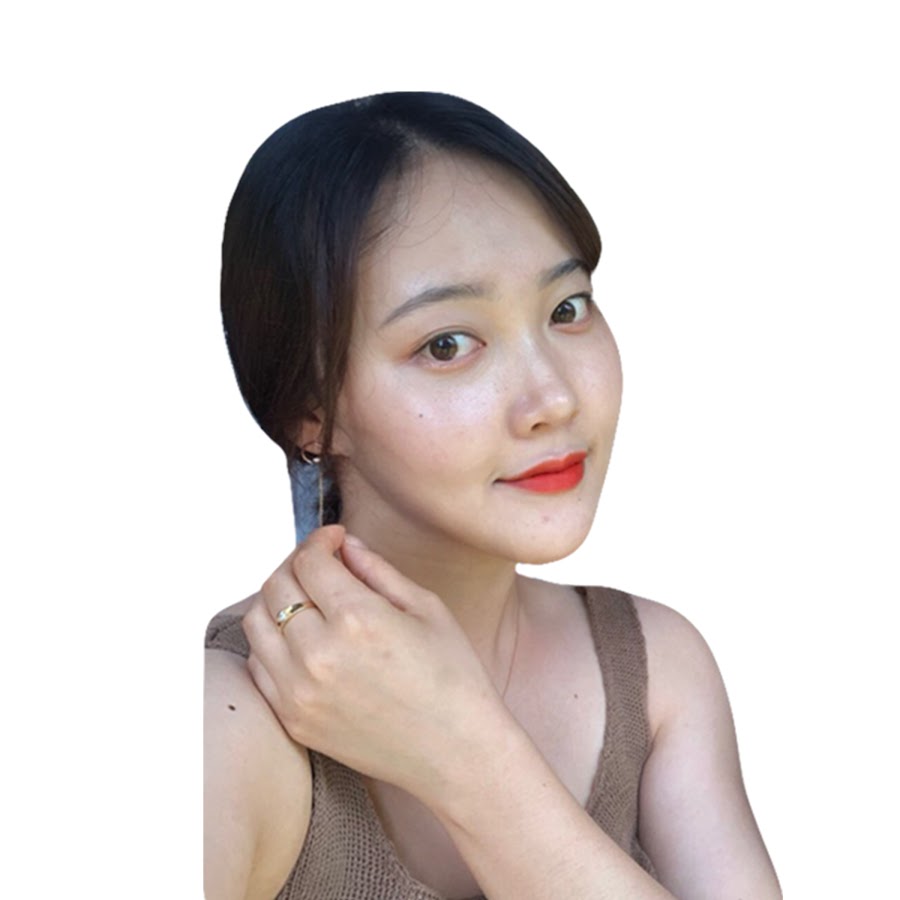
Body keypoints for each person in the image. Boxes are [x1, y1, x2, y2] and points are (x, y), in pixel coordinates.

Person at [204, 92, 781, 900]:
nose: (554, 397)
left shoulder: (656, 673)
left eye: (567, 309)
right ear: (311, 409)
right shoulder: (226, 724)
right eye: (447, 344)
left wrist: (463, 753)